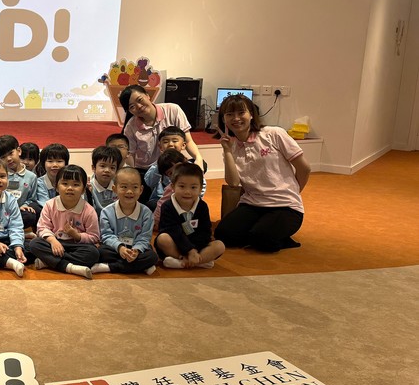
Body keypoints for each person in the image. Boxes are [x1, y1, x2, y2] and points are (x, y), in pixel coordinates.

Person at [215, 93, 310, 252]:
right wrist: (227, 151)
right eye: (230, 114)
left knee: (261, 239)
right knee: (223, 235)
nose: (236, 118)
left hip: (285, 206)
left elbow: (304, 168)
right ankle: (260, 230)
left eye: (241, 113)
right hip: (252, 204)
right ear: (223, 119)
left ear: (251, 114)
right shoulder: (230, 146)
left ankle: (273, 236)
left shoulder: (273, 134)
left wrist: (293, 192)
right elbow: (233, 183)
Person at [119, 85, 204, 198]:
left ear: (147, 95)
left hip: (173, 164)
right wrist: (133, 175)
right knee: (147, 197)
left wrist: (198, 158)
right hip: (146, 169)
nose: (138, 106)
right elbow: (131, 155)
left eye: (139, 100)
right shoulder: (130, 127)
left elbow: (188, 141)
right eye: (132, 106)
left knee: (201, 166)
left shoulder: (173, 110)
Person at [28, 165, 101, 279]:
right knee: (34, 244)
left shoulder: (89, 210)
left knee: (93, 253)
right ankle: (69, 267)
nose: (70, 188)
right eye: (65, 183)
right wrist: (53, 241)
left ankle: (49, 262)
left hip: (77, 246)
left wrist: (77, 236)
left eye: (76, 185)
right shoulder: (50, 205)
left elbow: (94, 236)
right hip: (55, 243)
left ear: (83, 189)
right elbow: (42, 228)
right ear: (56, 187)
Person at [155, 162, 224, 269]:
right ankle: (191, 260)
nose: (187, 192)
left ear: (200, 188)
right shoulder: (167, 206)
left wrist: (194, 250)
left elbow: (205, 231)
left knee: (219, 246)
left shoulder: (202, 206)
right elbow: (173, 231)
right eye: (182, 186)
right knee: (163, 239)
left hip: (197, 247)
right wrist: (189, 251)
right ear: (173, 186)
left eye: (193, 187)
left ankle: (187, 262)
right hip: (176, 245)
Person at [93, 167, 158, 275]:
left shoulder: (146, 213)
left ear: (141, 190)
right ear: (114, 189)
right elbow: (106, 235)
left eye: (135, 187)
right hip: (115, 248)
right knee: (101, 252)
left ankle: (110, 267)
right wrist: (120, 248)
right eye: (124, 187)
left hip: (136, 248)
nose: (129, 191)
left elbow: (144, 237)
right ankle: (140, 266)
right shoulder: (106, 212)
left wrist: (136, 250)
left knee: (152, 256)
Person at [0, 134, 39, 229]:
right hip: (0, 211)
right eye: (3, 157)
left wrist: (24, 205)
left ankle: (3, 230)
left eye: (11, 153)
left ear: (19, 151)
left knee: (30, 215)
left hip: (20, 212)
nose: (8, 159)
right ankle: (8, 231)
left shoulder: (31, 177)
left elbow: (32, 199)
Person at [89, 145, 121, 213]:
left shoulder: (118, 186)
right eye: (103, 166)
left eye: (112, 167)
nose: (107, 170)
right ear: (93, 168)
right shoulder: (88, 188)